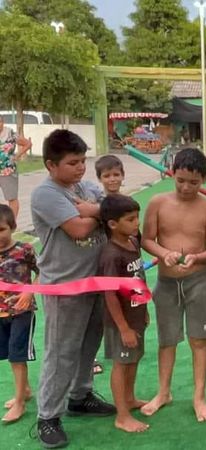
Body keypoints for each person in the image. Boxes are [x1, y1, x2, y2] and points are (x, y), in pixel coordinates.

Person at [32, 130, 114, 448]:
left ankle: (80, 396)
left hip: (96, 280)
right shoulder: (45, 194)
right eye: (72, 163)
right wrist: (98, 213)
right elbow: (78, 227)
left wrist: (94, 209)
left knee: (88, 345)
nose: (80, 168)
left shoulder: (84, 187)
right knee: (61, 352)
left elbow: (112, 204)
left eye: (82, 161)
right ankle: (48, 416)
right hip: (65, 287)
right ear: (51, 165)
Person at [141, 147, 206, 422]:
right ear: (172, 173)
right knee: (167, 340)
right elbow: (147, 239)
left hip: (199, 281)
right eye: (181, 180)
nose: (186, 187)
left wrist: (196, 257)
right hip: (166, 282)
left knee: (199, 339)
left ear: (205, 179)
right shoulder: (157, 203)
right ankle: (163, 392)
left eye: (194, 182)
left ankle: (199, 397)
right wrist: (163, 253)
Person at [98, 194, 149, 433]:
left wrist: (144, 309)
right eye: (130, 219)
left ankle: (129, 399)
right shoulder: (111, 254)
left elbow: (138, 279)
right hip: (121, 322)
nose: (136, 223)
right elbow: (109, 295)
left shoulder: (133, 243)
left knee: (134, 359)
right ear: (112, 224)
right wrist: (124, 327)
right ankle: (122, 415)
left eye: (137, 217)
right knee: (121, 363)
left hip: (136, 315)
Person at [0, 205, 38, 424]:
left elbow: (44, 272)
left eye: (1, 229)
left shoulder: (24, 250)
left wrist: (29, 291)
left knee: (17, 356)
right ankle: (24, 390)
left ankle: (19, 403)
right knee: (8, 354)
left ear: (12, 227)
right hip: (1, 315)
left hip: (22, 313)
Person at [92, 153, 128, 377]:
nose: (112, 179)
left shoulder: (126, 202)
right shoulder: (98, 206)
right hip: (104, 261)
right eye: (107, 176)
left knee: (124, 306)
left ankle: (124, 342)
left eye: (116, 174)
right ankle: (93, 355)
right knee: (101, 311)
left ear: (123, 176)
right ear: (100, 178)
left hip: (124, 263)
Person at [0, 116, 32, 218]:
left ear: (3, 122)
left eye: (0, 122)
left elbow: (27, 144)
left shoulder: (11, 134)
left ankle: (11, 225)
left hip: (8, 171)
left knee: (12, 198)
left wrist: (17, 155)